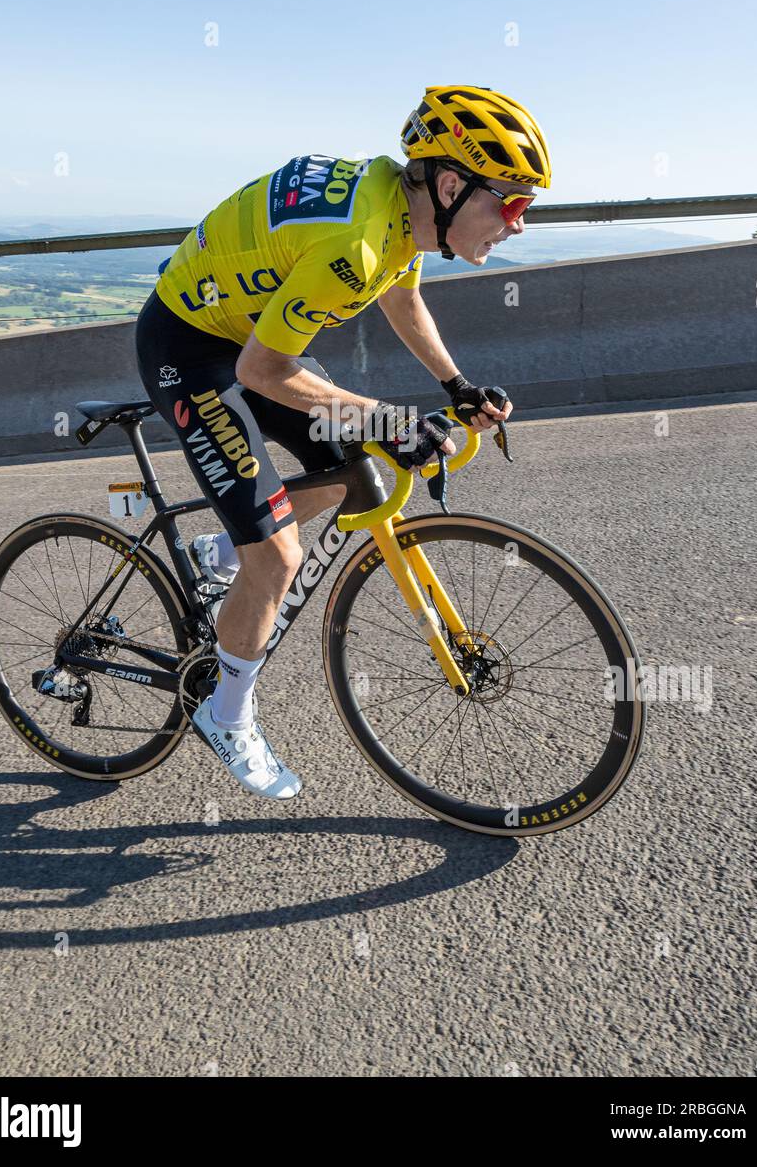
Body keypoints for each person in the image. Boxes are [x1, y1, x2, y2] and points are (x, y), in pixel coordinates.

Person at [135, 85, 551, 799]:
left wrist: (455, 387)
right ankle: (225, 712)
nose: (517, 225)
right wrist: (391, 418)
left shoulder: (401, 210)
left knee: (357, 469)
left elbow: (402, 296)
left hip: (250, 334)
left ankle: (225, 550)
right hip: (192, 345)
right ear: (452, 185)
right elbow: (261, 372)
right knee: (281, 554)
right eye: (511, 203)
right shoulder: (352, 245)